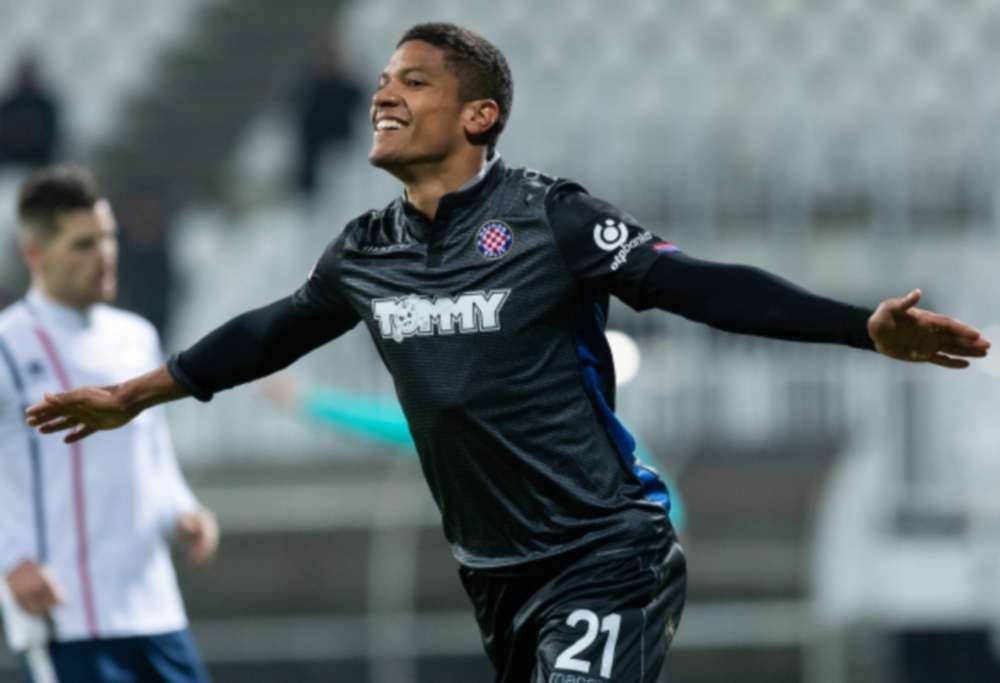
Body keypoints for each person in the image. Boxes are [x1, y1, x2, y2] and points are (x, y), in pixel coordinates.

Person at [25, 24, 991, 683]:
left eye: (414, 81)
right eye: (383, 79)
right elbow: (269, 330)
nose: (384, 93)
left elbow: (698, 285)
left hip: (606, 552)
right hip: (495, 575)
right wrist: (135, 394)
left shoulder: (550, 219)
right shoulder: (364, 253)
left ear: (478, 115)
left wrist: (858, 325)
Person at [2, 166, 217, 682]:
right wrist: (10, 559)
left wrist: (183, 508)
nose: (105, 255)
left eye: (108, 237)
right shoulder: (8, 345)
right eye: (83, 244)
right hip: (67, 614)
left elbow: (153, 451)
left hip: (155, 607)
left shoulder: (136, 336)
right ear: (35, 254)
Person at [0, 54, 61, 168]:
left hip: (38, 163)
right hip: (9, 164)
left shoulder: (45, 106)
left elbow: (51, 137)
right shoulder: (8, 105)